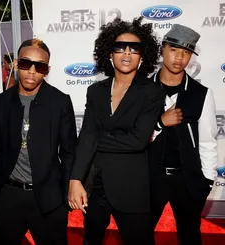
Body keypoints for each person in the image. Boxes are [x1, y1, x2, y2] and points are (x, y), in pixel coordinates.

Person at [68, 17, 165, 245]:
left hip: (132, 188)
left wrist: (94, 139)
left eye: (135, 48)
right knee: (91, 240)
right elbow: (86, 136)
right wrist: (75, 179)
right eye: (120, 48)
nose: (127, 53)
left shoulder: (151, 91)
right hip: (95, 185)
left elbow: (138, 141)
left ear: (142, 56)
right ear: (109, 54)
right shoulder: (95, 91)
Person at [0, 38, 77, 245]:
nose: (32, 71)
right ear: (17, 64)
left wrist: (64, 195)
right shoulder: (1, 102)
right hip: (8, 196)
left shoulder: (60, 101)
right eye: (26, 64)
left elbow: (69, 152)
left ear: (47, 70)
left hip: (48, 197)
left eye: (40, 66)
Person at [149, 24, 218, 245]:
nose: (180, 58)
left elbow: (208, 140)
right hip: (149, 178)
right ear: (162, 50)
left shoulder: (201, 94)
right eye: (174, 50)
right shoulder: (142, 90)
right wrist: (159, 123)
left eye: (186, 52)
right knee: (139, 235)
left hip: (187, 180)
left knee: (190, 236)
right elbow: (133, 135)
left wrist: (207, 179)